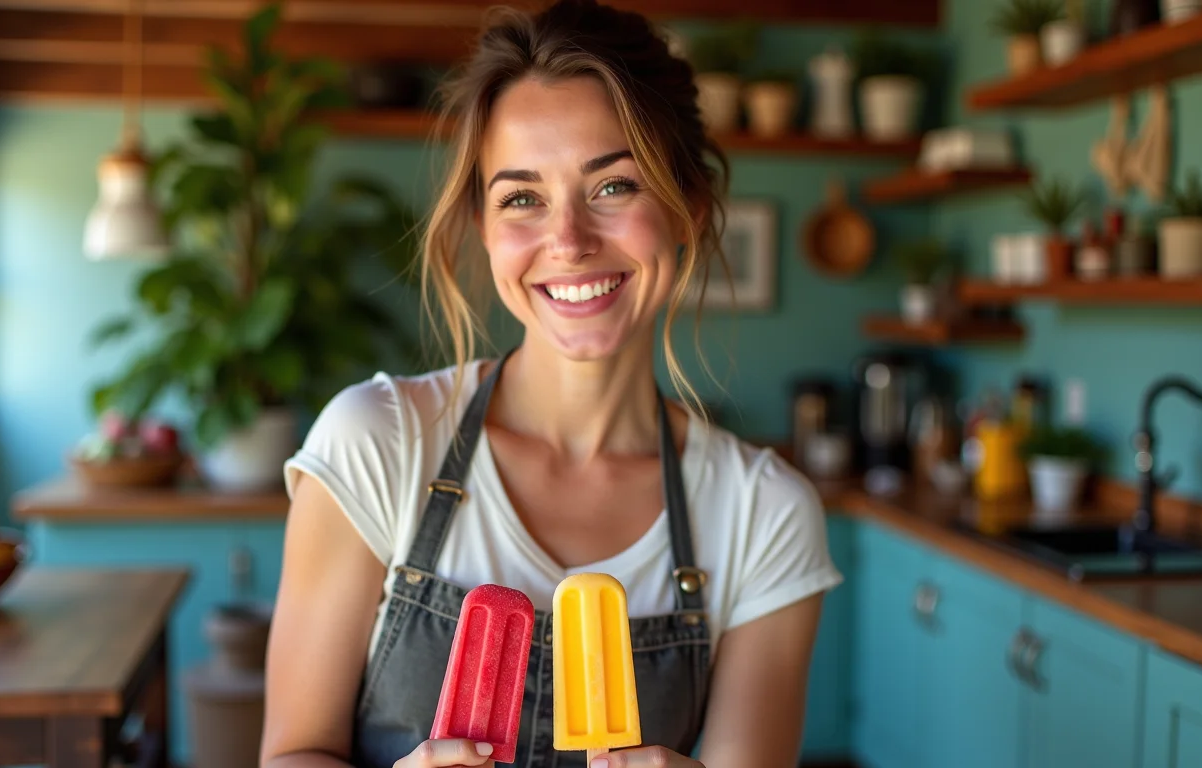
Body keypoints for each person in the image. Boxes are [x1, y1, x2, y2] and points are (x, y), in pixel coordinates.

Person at [260, 1, 842, 767]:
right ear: (483, 226)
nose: (568, 242)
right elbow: (291, 752)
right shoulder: (378, 441)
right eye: (522, 198)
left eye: (614, 187)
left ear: (689, 210)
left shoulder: (763, 515)